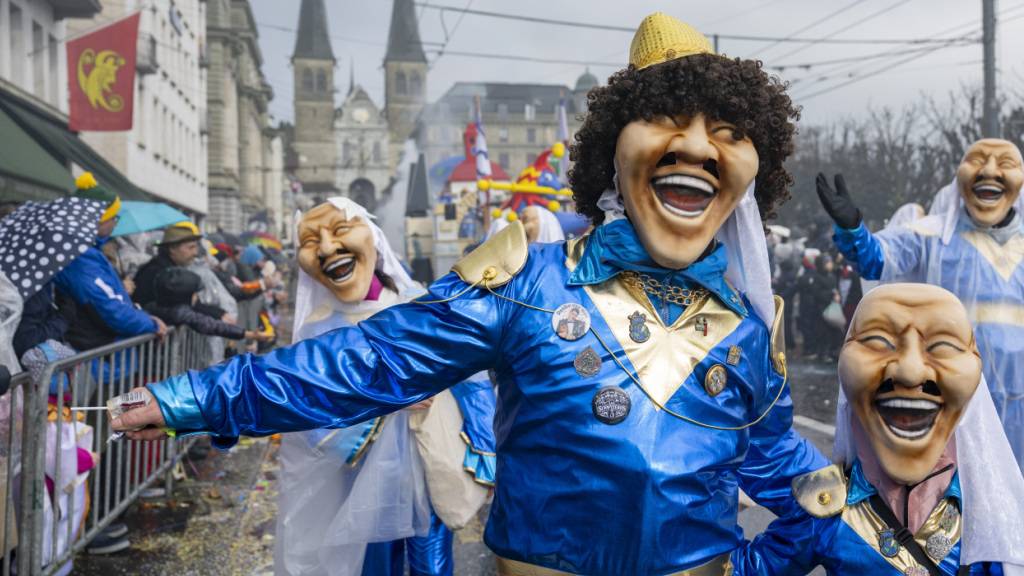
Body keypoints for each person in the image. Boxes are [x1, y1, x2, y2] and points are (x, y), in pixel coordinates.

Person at [112, 13, 826, 575]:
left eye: (727, 132)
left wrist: (867, 540)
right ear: (614, 148)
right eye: (668, 124)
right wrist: (195, 398)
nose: (697, 148)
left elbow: (789, 476)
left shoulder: (743, 327)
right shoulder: (528, 281)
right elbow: (372, 359)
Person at [734, 284, 1024, 574]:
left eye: (943, 346)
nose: (910, 372)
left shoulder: (988, 512)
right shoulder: (829, 509)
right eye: (877, 341)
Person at [273, 198, 495, 576]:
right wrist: (384, 401)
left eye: (340, 231)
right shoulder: (316, 331)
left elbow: (469, 377)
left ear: (373, 240)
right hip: (363, 479)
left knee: (432, 560)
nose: (327, 248)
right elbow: (310, 416)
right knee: (375, 562)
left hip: (429, 464)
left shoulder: (418, 306)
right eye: (311, 242)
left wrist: (485, 447)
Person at [817, 139, 1024, 470]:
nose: (989, 171)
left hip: (1019, 406)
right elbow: (877, 259)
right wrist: (853, 229)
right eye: (978, 160)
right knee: (956, 490)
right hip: (951, 392)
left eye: (1006, 164)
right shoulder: (931, 237)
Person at [54, 173, 166, 352]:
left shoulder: (88, 251)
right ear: (98, 220)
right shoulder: (80, 257)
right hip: (98, 355)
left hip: (102, 353)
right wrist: (150, 323)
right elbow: (110, 309)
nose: (115, 223)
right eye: (114, 217)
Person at [143, 268, 270, 343]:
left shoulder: (153, 306)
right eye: (193, 293)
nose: (197, 297)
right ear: (182, 296)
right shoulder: (179, 312)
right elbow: (211, 325)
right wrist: (248, 334)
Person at [133, 222, 203, 310]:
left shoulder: (170, 270)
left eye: (196, 247)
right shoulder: (158, 273)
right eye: (190, 248)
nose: (195, 253)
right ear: (172, 248)